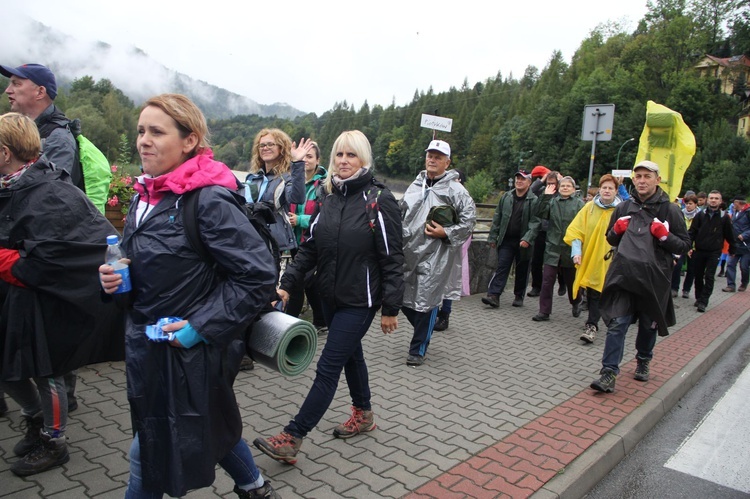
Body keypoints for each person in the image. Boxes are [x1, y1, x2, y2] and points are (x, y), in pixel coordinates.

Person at [99, 94, 279, 498]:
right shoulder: (147, 194)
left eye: (157, 132)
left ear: (189, 140)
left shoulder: (207, 199)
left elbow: (257, 275)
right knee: (207, 422)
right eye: (141, 131)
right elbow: (145, 259)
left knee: (149, 452)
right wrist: (113, 278)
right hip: (149, 345)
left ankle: (254, 486)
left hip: (189, 351)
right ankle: (255, 486)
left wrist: (200, 327)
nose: (144, 140)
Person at [253, 130, 404, 465]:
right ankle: (364, 414)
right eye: (339, 155)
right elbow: (309, 249)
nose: (344, 161)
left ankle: (293, 436)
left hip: (360, 301)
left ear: (363, 159)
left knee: (328, 366)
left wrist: (391, 307)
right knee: (352, 357)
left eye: (351, 155)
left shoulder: (379, 200)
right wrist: (286, 284)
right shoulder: (330, 198)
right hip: (330, 297)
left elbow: (393, 257)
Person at [0, 112, 124, 476]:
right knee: (8, 367)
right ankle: (35, 419)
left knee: (47, 370)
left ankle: (54, 442)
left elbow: (81, 248)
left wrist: (9, 260)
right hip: (13, 299)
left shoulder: (53, 191)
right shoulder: (9, 185)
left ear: (6, 152)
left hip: (48, 301)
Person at [1, 63, 82, 411]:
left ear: (40, 92)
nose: (8, 90)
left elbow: (49, 199)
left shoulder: (59, 136)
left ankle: (53, 422)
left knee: (49, 353)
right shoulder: (27, 128)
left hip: (41, 256)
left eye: (17, 83)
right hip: (21, 257)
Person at [590, 161, 690, 393]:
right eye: (638, 176)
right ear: (633, 180)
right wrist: (617, 231)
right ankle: (608, 373)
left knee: (648, 325)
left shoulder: (670, 210)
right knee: (618, 324)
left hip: (654, 280)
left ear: (657, 179)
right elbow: (611, 238)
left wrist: (664, 237)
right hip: (624, 276)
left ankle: (643, 359)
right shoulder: (624, 207)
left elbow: (685, 245)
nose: (642, 180)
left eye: (647, 176)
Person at [399, 140, 475, 365]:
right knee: (400, 297)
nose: (432, 160)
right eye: (430, 155)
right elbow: (402, 212)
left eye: (438, 157)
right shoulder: (415, 185)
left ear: (447, 162)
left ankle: (418, 348)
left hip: (437, 256)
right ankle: (426, 330)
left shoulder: (457, 191)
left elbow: (469, 221)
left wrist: (446, 231)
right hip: (409, 252)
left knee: (428, 300)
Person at [564, 174, 623, 343]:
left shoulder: (621, 210)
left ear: (616, 191)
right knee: (594, 292)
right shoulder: (589, 208)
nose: (606, 191)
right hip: (592, 258)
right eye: (604, 187)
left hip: (613, 259)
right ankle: (592, 325)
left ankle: (613, 321)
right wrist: (576, 252)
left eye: (610, 188)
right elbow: (576, 230)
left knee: (610, 292)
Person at [245, 128, 311, 253]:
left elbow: (297, 198)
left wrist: (297, 163)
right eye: (262, 145)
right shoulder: (254, 178)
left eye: (270, 144)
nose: (265, 148)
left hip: (274, 243)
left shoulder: (286, 178)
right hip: (252, 240)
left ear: (281, 148)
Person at [482, 170, 541, 308]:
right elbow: (497, 217)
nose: (519, 181)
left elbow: (535, 222)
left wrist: (528, 238)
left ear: (529, 182)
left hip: (523, 241)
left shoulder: (534, 200)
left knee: (522, 269)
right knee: (502, 266)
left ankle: (519, 295)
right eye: (517, 178)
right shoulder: (506, 197)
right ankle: (494, 295)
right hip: (506, 239)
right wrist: (493, 236)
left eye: (523, 179)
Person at [286, 141, 327, 332]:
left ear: (318, 160)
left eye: (310, 156)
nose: (306, 160)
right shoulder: (293, 181)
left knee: (297, 283)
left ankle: (288, 325)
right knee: (309, 284)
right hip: (294, 242)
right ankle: (321, 320)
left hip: (313, 243)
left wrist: (300, 220)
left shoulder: (325, 185)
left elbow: (325, 215)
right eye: (303, 157)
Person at [531, 176, 584, 322]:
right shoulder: (552, 202)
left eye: (568, 186)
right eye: (562, 186)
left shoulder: (579, 204)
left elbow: (583, 226)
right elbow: (540, 213)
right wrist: (545, 197)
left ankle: (576, 301)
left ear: (574, 189)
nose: (565, 188)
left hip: (570, 248)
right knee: (547, 280)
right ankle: (544, 311)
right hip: (552, 246)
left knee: (571, 280)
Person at [434, 169, 472, 331]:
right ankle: (434, 313)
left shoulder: (462, 196)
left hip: (453, 245)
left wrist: (449, 234)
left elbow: (467, 225)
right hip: (436, 244)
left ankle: (445, 314)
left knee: (449, 280)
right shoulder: (440, 193)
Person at [689, 190, 735, 312]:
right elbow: (692, 232)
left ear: (720, 201)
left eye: (716, 198)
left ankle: (704, 301)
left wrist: (732, 248)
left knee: (709, 276)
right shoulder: (700, 215)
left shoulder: (724, 217)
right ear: (708, 200)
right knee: (698, 275)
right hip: (699, 250)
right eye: (711, 198)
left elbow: (729, 234)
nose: (713, 200)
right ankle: (699, 297)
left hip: (714, 252)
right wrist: (688, 245)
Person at [527, 166, 552, 297]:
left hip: (554, 231)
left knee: (555, 262)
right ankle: (537, 286)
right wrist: (542, 180)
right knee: (536, 260)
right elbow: (530, 191)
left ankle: (562, 282)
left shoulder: (559, 191)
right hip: (541, 230)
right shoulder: (540, 190)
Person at [671, 193, 699, 298]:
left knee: (691, 269)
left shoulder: (699, 215)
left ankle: (686, 289)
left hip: (694, 246)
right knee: (677, 266)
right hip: (681, 244)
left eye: (690, 204)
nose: (688, 206)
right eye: (686, 203)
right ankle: (674, 288)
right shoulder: (680, 213)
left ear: (696, 204)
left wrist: (691, 246)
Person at [724, 196, 749, 293]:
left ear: (738, 202)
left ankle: (744, 282)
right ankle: (730, 285)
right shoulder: (734, 212)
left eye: (734, 202)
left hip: (746, 244)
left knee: (744, 266)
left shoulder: (748, 212)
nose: (733, 204)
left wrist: (744, 235)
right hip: (734, 244)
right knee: (730, 264)